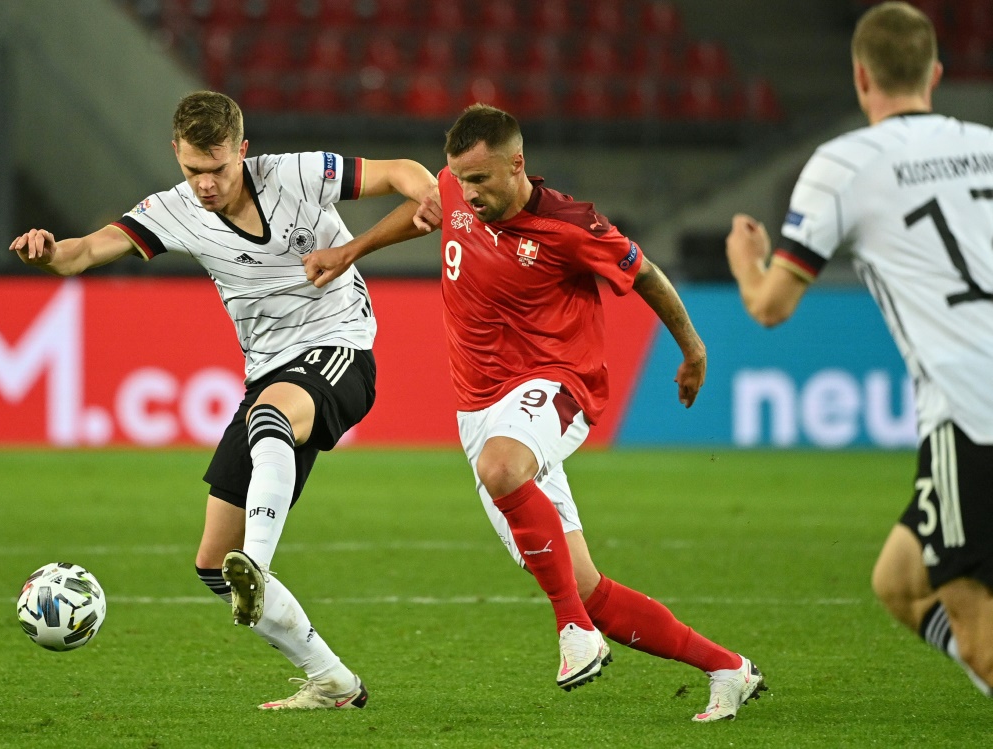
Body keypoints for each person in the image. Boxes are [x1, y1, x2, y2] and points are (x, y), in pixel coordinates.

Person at [303, 103, 767, 722]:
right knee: (587, 587)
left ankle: (572, 631)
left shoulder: (572, 225)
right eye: (461, 181)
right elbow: (429, 214)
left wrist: (693, 348)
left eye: (481, 180)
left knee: (503, 470)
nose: (468, 193)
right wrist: (353, 250)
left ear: (517, 164)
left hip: (557, 382)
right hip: (477, 407)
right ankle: (727, 669)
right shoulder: (455, 187)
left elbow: (647, 275)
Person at [9, 90, 440, 710]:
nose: (206, 184)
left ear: (243, 150)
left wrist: (426, 190)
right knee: (213, 562)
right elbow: (81, 253)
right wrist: (49, 253)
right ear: (176, 156)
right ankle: (332, 682)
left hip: (341, 348)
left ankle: (257, 565)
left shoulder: (295, 172)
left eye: (217, 168)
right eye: (192, 170)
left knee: (269, 424)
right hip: (267, 371)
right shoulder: (173, 210)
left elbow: (400, 173)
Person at [726, 1, 993, 698]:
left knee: (977, 631)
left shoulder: (843, 163)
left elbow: (770, 306)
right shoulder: (987, 143)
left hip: (972, 411)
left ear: (860, 79)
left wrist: (746, 259)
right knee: (900, 582)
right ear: (935, 73)